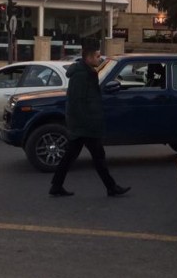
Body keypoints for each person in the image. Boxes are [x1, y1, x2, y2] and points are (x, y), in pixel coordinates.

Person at [49, 41, 129, 198]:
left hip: (83, 125)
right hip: (85, 126)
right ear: (89, 57)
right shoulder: (81, 75)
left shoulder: (87, 72)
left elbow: (88, 97)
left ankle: (56, 186)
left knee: (71, 157)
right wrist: (87, 124)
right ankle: (111, 187)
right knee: (98, 158)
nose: (100, 59)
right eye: (97, 56)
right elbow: (78, 102)